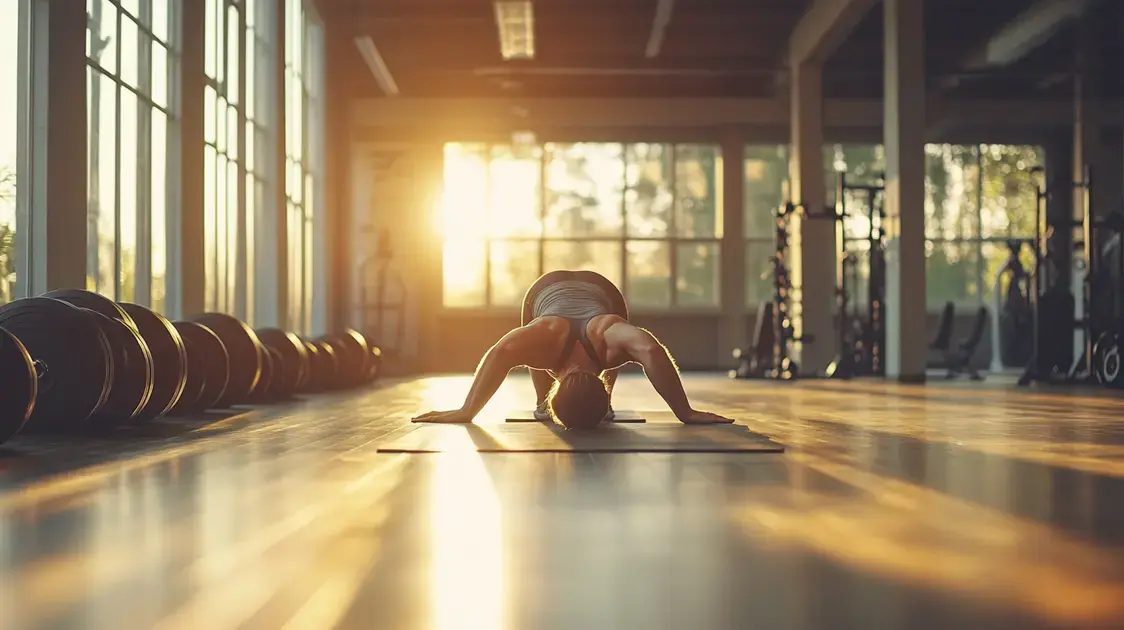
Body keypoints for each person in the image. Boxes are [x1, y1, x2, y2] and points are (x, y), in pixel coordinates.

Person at [412, 270, 735, 429]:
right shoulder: (603, 342)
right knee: (619, 344)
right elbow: (650, 351)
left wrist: (467, 410)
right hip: (569, 293)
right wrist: (684, 412)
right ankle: (543, 403)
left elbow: (500, 353)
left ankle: (553, 404)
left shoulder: (557, 344)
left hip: (575, 290)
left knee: (532, 349)